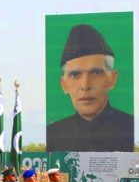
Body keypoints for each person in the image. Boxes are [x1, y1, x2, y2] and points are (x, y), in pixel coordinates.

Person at [47, 24, 133, 152]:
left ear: (113, 79)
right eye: (75, 74)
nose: (85, 85)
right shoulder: (54, 134)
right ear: (64, 84)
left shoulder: (129, 127)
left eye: (96, 73)